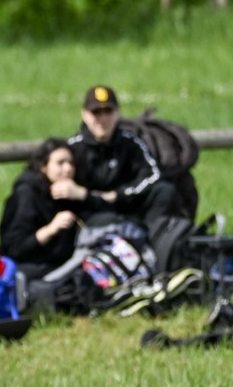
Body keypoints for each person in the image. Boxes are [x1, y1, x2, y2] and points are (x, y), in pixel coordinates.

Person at [67, 85, 192, 272]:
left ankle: (160, 255)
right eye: (96, 113)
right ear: (84, 115)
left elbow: (151, 175)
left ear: (117, 114)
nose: (102, 119)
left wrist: (118, 195)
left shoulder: (129, 142)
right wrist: (91, 196)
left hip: (129, 206)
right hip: (94, 215)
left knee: (165, 191)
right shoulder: (74, 149)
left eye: (107, 111)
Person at [0, 138, 84, 280]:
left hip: (58, 263)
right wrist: (51, 229)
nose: (68, 169)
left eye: (71, 163)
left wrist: (80, 194)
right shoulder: (27, 195)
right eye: (60, 163)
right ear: (44, 166)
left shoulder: (71, 190)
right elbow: (14, 247)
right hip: (27, 265)